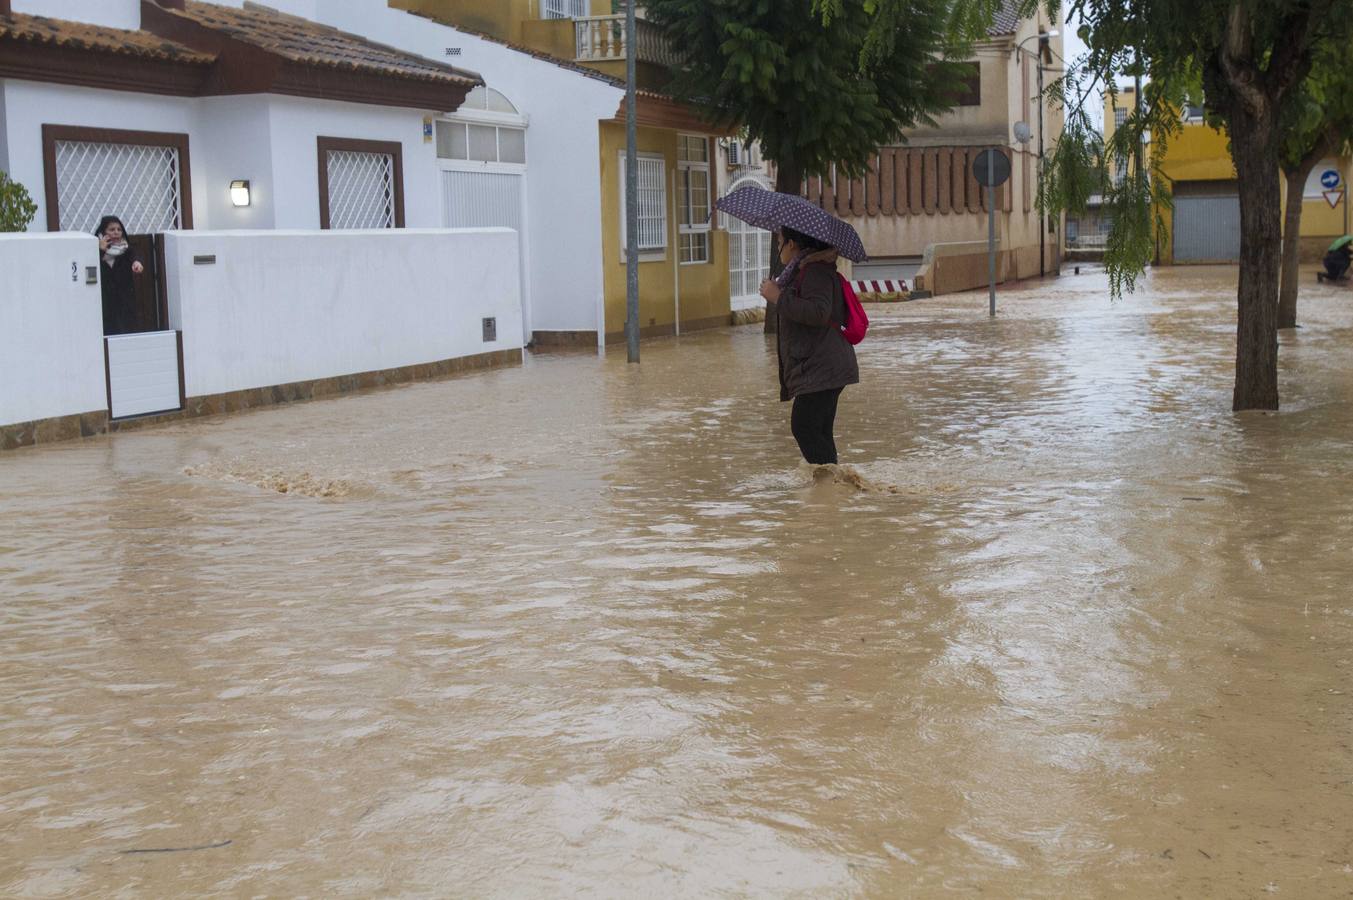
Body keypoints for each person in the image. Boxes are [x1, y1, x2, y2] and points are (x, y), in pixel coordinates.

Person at [759, 226, 859, 465]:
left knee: (803, 426)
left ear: (792, 244)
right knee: (818, 431)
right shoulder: (802, 272)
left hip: (821, 366)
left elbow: (818, 312)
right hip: (821, 365)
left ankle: (830, 483)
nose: (778, 248)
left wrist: (778, 298)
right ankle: (829, 494)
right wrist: (781, 292)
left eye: (780, 241)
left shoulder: (815, 271)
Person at [95, 215, 144, 335]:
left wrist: (137, 263)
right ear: (103, 232)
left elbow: (135, 257)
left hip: (124, 302)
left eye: (119, 229)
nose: (116, 232)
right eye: (111, 230)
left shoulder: (126, 249)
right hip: (104, 301)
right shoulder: (94, 250)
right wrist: (100, 249)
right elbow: (90, 263)